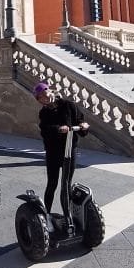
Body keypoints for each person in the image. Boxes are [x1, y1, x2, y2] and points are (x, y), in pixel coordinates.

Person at [33, 81, 89, 227]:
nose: (45, 98)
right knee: (52, 183)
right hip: (53, 152)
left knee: (66, 184)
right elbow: (45, 130)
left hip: (69, 151)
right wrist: (59, 129)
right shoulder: (44, 113)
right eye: (41, 98)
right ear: (39, 101)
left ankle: (68, 216)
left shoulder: (68, 105)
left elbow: (80, 120)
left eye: (45, 94)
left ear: (50, 91)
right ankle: (47, 214)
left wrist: (83, 126)